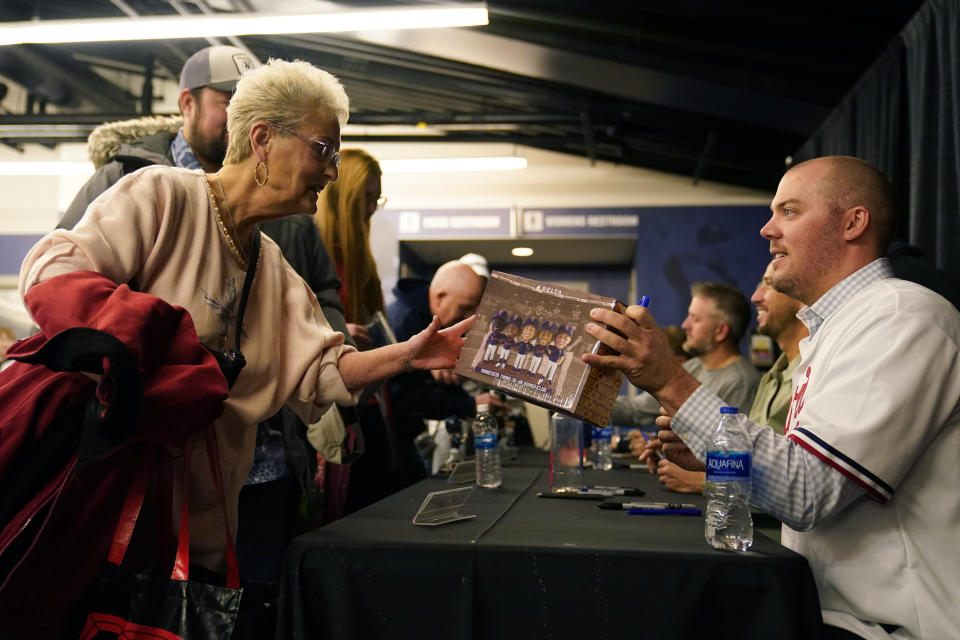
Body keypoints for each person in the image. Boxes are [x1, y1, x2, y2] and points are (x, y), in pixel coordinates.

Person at [16, 57, 470, 592]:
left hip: (199, 526)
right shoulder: (163, 194)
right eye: (324, 149)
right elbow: (52, 269)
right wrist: (156, 343)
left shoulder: (270, 262)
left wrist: (408, 354)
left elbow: (326, 369)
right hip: (106, 503)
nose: (331, 170)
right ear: (262, 139)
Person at [584, 156, 960, 640]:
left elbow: (807, 491)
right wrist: (714, 456)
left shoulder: (901, 316)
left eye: (789, 211)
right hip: (828, 610)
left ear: (853, 223)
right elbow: (797, 464)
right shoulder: (837, 328)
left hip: (887, 628)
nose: (767, 229)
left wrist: (670, 380)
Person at [646, 261, 808, 494]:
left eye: (769, 285)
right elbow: (755, 463)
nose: (755, 297)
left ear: (803, 297)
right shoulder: (772, 377)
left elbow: (802, 486)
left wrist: (705, 479)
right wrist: (703, 454)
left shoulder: (808, 374)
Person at [387, 255, 501, 486]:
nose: (469, 318)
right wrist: (471, 404)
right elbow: (402, 396)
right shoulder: (405, 323)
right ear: (439, 297)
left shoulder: (429, 320)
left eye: (474, 309)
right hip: (392, 447)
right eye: (465, 308)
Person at [609, 282, 760, 429]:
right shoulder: (692, 366)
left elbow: (730, 448)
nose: (685, 325)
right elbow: (636, 410)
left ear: (720, 331)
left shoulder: (741, 384)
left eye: (695, 319)